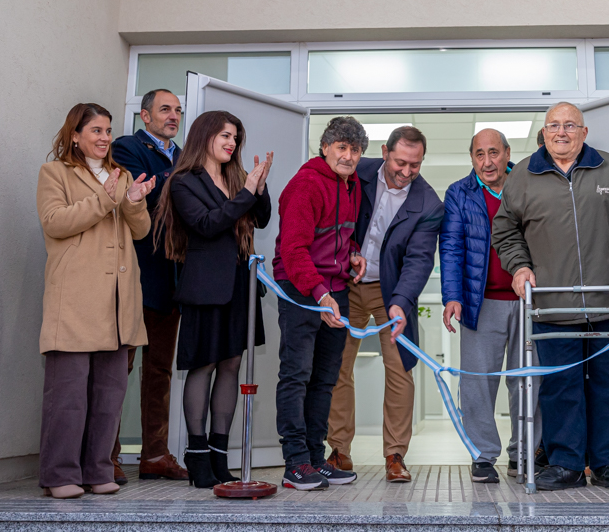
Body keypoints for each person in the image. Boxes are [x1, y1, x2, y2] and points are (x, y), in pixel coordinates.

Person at [492, 102, 609, 491]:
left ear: (584, 132)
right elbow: (505, 231)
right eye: (553, 126)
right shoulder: (524, 177)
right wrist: (519, 267)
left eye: (570, 125)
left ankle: (607, 465)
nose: (561, 132)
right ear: (544, 133)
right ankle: (566, 464)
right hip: (553, 303)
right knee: (560, 387)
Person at [36, 103, 156, 499]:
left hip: (118, 302)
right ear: (75, 135)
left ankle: (97, 469)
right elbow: (55, 222)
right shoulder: (55, 173)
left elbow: (140, 232)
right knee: (68, 396)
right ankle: (59, 475)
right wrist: (105, 199)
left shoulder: (119, 176)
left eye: (108, 131)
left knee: (108, 395)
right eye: (96, 131)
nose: (105, 138)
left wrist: (134, 199)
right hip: (75, 300)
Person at [153, 110, 273, 489]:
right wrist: (245, 193)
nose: (231, 143)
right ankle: (197, 452)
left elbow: (264, 218)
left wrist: (260, 187)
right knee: (202, 366)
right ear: (204, 135)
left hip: (240, 283)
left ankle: (221, 455)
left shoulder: (238, 177)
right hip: (205, 285)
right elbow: (207, 224)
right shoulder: (184, 182)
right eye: (224, 135)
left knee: (231, 366)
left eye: (235, 137)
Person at [326, 126, 444, 483]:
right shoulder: (357, 172)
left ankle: (395, 454)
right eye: (400, 162)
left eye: (415, 165)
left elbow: (420, 259)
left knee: (399, 369)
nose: (406, 172)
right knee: (336, 365)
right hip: (346, 284)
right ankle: (339, 451)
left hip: (391, 290)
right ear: (384, 152)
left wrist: (401, 303)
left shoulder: (429, 203)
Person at [440, 128, 542, 483]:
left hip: (530, 302)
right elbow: (451, 247)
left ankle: (524, 452)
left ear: (507, 153)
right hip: (480, 302)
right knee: (478, 383)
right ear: (472, 158)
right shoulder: (459, 193)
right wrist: (452, 297)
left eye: (494, 153)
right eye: (480, 154)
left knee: (527, 382)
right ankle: (483, 455)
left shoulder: (528, 183)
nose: (487, 161)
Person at [273, 116, 368, 490]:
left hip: (335, 289)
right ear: (326, 147)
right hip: (301, 290)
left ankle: (315, 458)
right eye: (341, 147)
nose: (348, 156)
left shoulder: (352, 184)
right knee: (296, 375)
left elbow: (344, 235)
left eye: (354, 150)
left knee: (325, 379)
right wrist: (320, 294)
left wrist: (355, 253)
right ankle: (294, 463)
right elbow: (293, 250)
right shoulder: (306, 185)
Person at [109, 89, 187, 483]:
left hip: (170, 280)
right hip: (133, 275)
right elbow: (145, 198)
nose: (173, 116)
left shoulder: (183, 156)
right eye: (165, 109)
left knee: (159, 370)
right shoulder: (126, 148)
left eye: (177, 110)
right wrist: (186, 191)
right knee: (117, 367)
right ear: (145, 116)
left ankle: (154, 455)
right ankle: (105, 456)